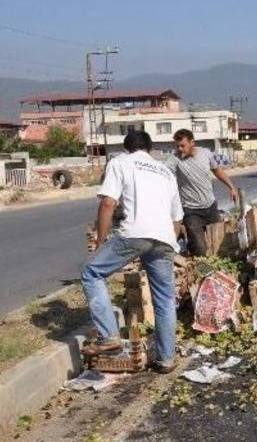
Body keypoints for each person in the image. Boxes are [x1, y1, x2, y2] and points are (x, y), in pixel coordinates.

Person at [80, 130, 182, 373]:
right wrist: (170, 244)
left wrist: (101, 241)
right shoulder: (165, 172)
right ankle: (166, 359)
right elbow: (177, 218)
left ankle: (109, 337)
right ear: (150, 148)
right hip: (166, 237)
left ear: (126, 148)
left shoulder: (120, 162)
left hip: (134, 234)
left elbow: (108, 203)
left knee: (91, 274)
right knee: (165, 298)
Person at [166, 129, 238, 256]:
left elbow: (217, 171)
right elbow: (163, 173)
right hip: (191, 210)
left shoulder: (206, 154)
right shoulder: (174, 159)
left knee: (220, 244)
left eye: (183, 145)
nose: (180, 149)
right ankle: (197, 260)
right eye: (177, 146)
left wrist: (231, 187)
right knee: (201, 249)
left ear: (192, 142)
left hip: (210, 207)